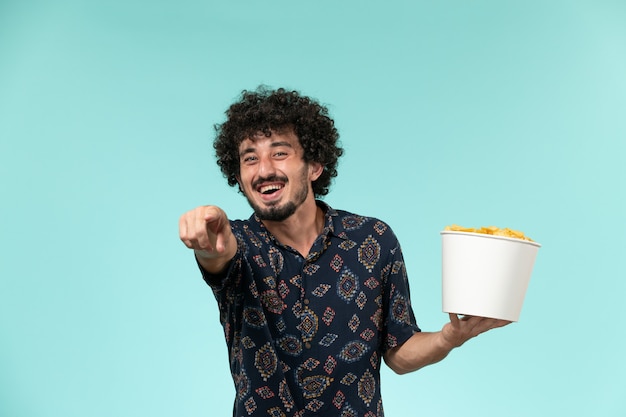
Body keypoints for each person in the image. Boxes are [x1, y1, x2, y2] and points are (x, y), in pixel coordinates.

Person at [179, 86, 510, 417]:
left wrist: (449, 338)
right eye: (250, 158)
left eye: (280, 153)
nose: (264, 169)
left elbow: (399, 351)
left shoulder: (373, 240)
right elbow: (219, 254)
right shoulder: (238, 241)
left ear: (314, 166)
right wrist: (209, 238)